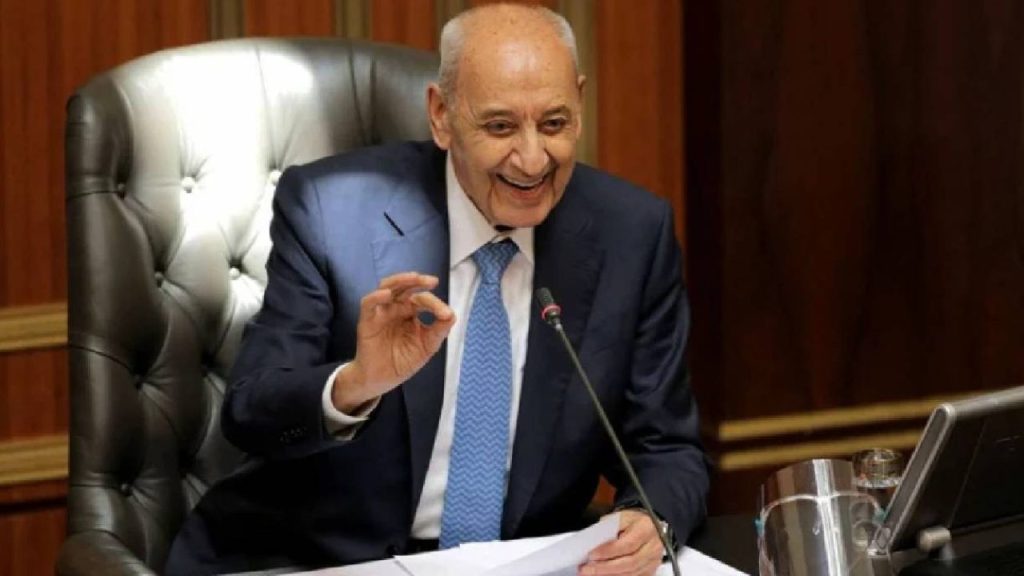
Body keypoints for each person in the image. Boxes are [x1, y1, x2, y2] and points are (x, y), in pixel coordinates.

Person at [166, 4, 708, 576]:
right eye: (500, 127)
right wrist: (356, 383)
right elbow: (251, 411)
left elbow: (667, 449)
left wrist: (651, 519)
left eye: (553, 124)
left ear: (579, 101)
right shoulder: (330, 211)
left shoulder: (630, 234)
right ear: (442, 115)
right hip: (316, 562)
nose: (532, 159)